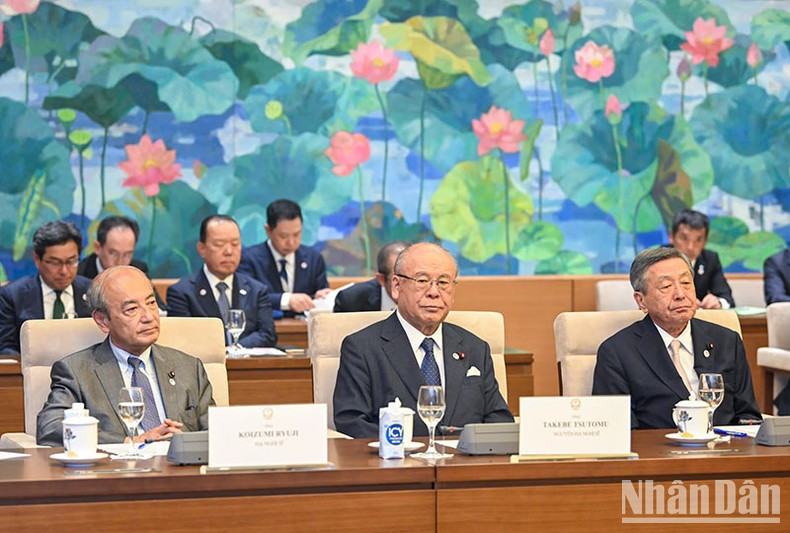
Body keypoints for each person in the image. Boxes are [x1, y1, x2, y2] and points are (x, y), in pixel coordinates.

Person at [333, 242, 513, 438]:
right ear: (396, 286)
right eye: (422, 281)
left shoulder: (475, 348)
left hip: (464, 463)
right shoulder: (362, 348)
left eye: (443, 283)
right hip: (398, 463)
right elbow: (352, 423)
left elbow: (499, 420)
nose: (434, 292)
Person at [36, 266, 214, 446]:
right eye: (131, 309)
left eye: (151, 303)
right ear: (102, 320)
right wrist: (131, 441)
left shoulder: (189, 367)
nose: (148, 317)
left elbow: (216, 432)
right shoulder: (77, 371)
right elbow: (50, 427)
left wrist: (186, 441)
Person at [592, 247, 761, 429]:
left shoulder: (727, 341)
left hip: (724, 451)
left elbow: (747, 415)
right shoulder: (617, 353)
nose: (681, 294)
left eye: (686, 283)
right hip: (658, 454)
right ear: (641, 301)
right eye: (666, 286)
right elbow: (617, 430)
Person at [167, 215, 277, 347]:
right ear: (202, 249)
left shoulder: (256, 290)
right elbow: (183, 339)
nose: (229, 252)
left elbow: (268, 334)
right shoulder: (182, 293)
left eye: (235, 244)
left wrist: (235, 349)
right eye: (219, 245)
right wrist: (222, 350)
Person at [0, 221, 91, 354]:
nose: (64, 271)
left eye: (72, 261)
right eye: (55, 262)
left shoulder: (92, 292)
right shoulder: (12, 296)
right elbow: (5, 347)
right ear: (37, 259)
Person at [238, 199, 330, 315]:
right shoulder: (249, 259)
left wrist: (322, 296)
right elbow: (248, 295)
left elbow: (321, 292)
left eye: (296, 234)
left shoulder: (313, 259)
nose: (291, 242)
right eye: (283, 236)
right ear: (268, 231)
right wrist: (286, 300)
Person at [668, 209, 734, 309]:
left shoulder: (710, 259)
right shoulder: (658, 260)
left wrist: (718, 303)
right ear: (672, 237)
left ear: (705, 242)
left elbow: (726, 297)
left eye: (698, 240)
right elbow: (649, 301)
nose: (690, 247)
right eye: (684, 238)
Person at [334, 241, 409, 313]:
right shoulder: (351, 301)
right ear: (381, 279)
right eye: (401, 280)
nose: (411, 286)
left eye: (420, 279)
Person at [77, 216, 149, 278]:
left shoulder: (139, 272)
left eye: (126, 255)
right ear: (98, 248)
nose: (120, 263)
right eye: (113, 254)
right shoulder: (79, 274)